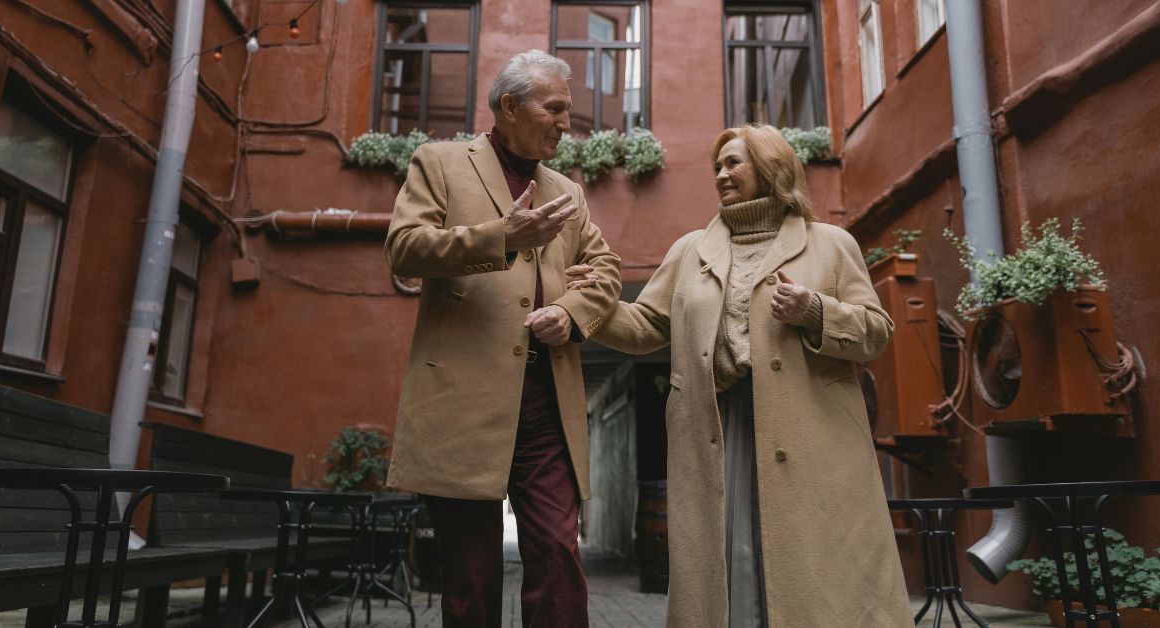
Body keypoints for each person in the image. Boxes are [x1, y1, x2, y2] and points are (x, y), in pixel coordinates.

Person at [567, 124, 913, 627]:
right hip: (718, 426)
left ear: (771, 168)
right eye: (717, 166)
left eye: (734, 163)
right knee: (729, 554)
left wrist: (815, 310)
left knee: (813, 563)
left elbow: (877, 332)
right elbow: (646, 325)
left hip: (810, 428)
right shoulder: (690, 251)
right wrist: (591, 305)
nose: (721, 174)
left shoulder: (831, 244)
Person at [383, 50, 621, 628]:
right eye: (556, 107)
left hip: (546, 403)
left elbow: (607, 268)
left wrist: (571, 311)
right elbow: (405, 248)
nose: (568, 123)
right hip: (463, 399)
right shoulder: (439, 162)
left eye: (569, 110)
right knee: (471, 573)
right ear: (510, 106)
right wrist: (501, 237)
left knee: (560, 556)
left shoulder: (568, 190)